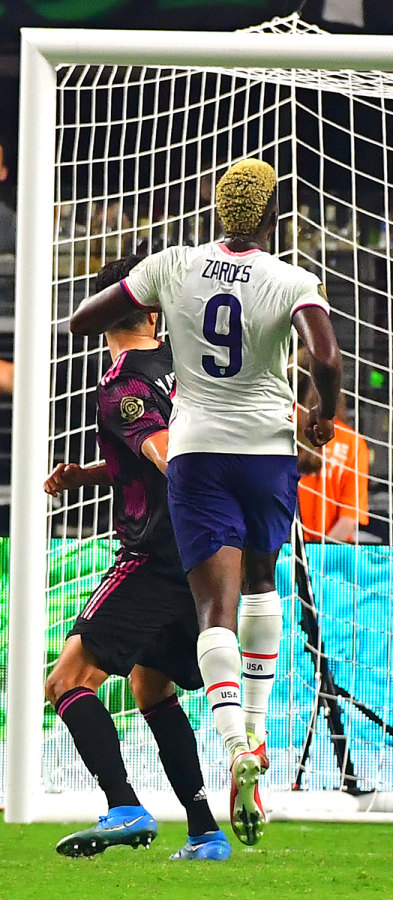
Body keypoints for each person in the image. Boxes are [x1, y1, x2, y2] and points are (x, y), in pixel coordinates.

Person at [69, 158, 343, 846]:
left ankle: (232, 747)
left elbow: (81, 320)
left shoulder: (174, 267)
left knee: (205, 612)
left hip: (196, 458)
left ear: (216, 210)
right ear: (276, 217)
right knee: (255, 589)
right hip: (267, 447)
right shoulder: (291, 279)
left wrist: (142, 294)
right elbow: (327, 358)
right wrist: (322, 414)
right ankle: (242, 751)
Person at [45, 255, 231, 861]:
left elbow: (166, 454)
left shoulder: (123, 384)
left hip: (153, 551)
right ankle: (205, 832)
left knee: (66, 681)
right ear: (154, 312)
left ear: (104, 316)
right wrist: (92, 474)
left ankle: (123, 805)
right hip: (201, 554)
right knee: (152, 687)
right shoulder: (183, 367)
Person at [295, 348, 370, 543]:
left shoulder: (280, 427)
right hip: (331, 560)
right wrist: (316, 557)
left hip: (281, 554)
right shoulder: (352, 442)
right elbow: (348, 519)